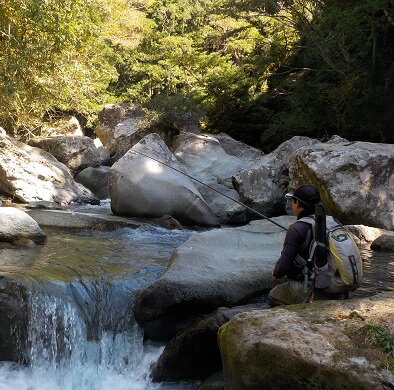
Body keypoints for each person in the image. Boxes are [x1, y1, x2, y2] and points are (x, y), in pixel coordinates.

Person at [269, 184, 358, 306]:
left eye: (292, 201)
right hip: (338, 286)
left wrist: (275, 274)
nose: (291, 204)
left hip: (313, 290)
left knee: (274, 295)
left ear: (299, 204)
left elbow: (282, 268)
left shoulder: (296, 229)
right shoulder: (333, 221)